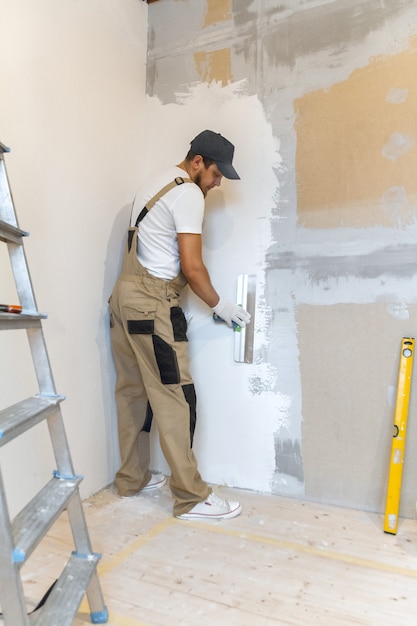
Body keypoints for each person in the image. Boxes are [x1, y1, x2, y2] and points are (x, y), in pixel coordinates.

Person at [109, 130, 250, 520]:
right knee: (175, 396)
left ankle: (131, 479)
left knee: (133, 393)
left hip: (123, 297)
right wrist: (221, 306)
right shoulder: (188, 192)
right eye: (218, 174)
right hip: (152, 304)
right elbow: (192, 266)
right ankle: (190, 497)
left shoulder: (155, 180)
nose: (218, 183)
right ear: (198, 161)